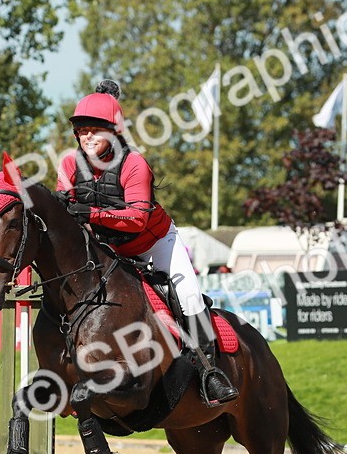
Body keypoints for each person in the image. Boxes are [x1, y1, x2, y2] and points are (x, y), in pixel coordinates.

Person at [56, 80, 237, 406]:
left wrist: (92, 213)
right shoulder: (70, 165)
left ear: (113, 131)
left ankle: (210, 373)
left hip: (155, 246)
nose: (87, 137)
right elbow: (63, 209)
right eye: (82, 131)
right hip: (110, 253)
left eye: (96, 129)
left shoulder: (134, 164)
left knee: (189, 294)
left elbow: (137, 218)